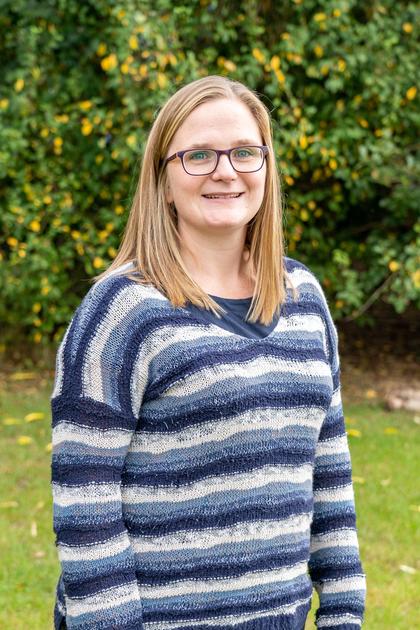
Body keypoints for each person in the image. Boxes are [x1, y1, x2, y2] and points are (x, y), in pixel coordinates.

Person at [51, 75, 366, 630]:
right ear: (163, 180)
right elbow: (85, 505)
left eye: (245, 152)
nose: (226, 170)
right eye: (198, 155)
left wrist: (343, 614)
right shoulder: (121, 310)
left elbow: (330, 479)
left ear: (266, 166)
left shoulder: (303, 298)